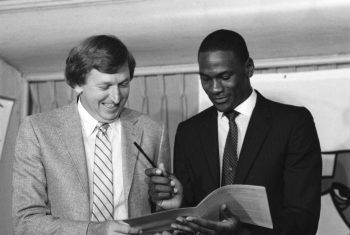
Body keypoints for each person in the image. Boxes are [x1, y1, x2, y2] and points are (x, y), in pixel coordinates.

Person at [12, 35, 178, 235]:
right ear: (77, 84)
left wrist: (169, 205)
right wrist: (94, 231)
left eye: (123, 84)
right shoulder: (37, 130)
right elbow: (26, 221)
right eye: (104, 86)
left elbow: (161, 215)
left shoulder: (153, 131)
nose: (116, 98)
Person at [172, 29, 322, 234]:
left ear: (249, 68)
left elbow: (304, 219)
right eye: (206, 79)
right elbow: (186, 214)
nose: (215, 88)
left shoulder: (293, 124)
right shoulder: (188, 132)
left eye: (224, 76)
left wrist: (243, 234)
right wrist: (174, 203)